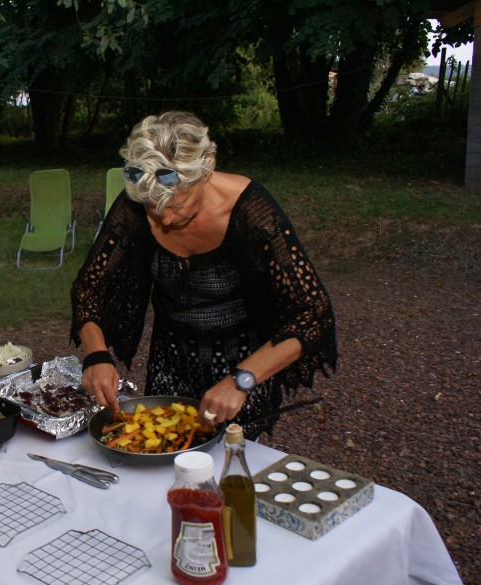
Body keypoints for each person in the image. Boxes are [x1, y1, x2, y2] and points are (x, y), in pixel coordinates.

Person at [72, 111, 337, 440]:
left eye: (178, 205)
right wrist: (96, 355)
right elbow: (88, 288)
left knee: (231, 460)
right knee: (163, 458)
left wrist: (242, 379)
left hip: (241, 368)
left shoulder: (251, 212)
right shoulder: (140, 199)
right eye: (154, 208)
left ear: (206, 170)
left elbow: (314, 312)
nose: (165, 219)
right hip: (170, 364)